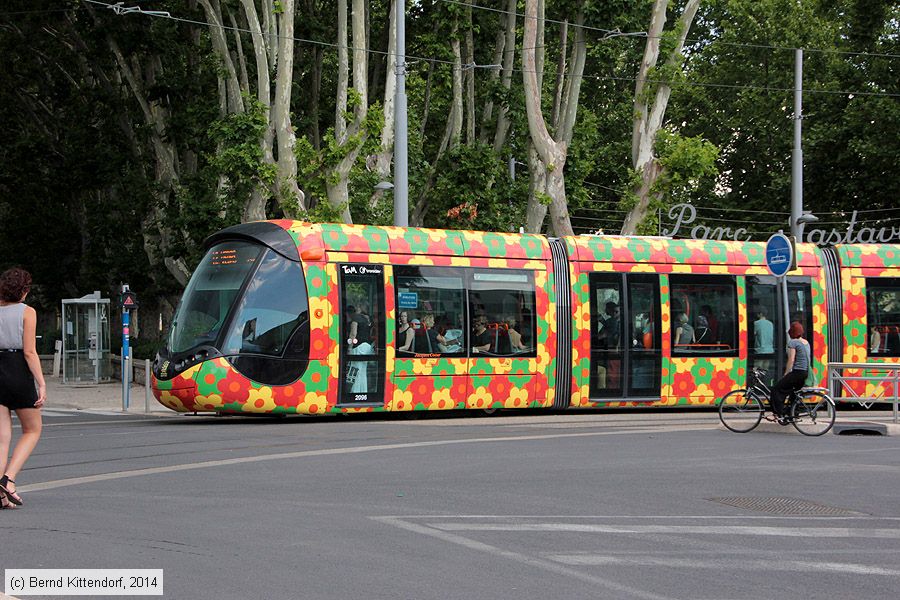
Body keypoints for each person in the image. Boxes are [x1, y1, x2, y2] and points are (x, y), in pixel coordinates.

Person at [0, 268, 46, 509]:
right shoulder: (27, 312)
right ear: (24, 290)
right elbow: (29, 351)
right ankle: (8, 480)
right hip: (17, 370)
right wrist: (41, 383)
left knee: (1, 438)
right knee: (32, 429)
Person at [770, 321, 811, 424]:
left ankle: (779, 414)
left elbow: (791, 360)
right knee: (793, 394)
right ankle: (792, 415)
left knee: (777, 389)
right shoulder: (806, 342)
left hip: (797, 372)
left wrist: (786, 374)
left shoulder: (793, 342)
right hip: (805, 373)